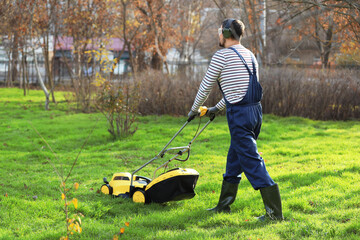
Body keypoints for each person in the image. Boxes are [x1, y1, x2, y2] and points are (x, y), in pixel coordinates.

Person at [188, 18, 283, 221]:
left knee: (251, 161)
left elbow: (205, 87)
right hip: (255, 113)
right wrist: (216, 108)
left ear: (227, 33)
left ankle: (275, 213)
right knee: (235, 159)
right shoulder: (249, 55)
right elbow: (238, 91)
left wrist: (194, 109)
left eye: (219, 32)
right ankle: (224, 206)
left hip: (240, 116)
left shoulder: (221, 56)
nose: (218, 36)